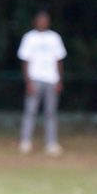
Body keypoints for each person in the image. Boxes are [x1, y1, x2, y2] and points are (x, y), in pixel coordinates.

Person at [18, 10, 66, 156]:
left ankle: (51, 143)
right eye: (40, 20)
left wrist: (59, 80)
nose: (42, 23)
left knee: (51, 112)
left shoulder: (55, 38)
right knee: (30, 111)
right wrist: (28, 82)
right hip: (35, 78)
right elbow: (25, 61)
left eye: (45, 20)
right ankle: (25, 141)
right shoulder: (29, 38)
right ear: (35, 22)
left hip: (51, 79)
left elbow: (59, 60)